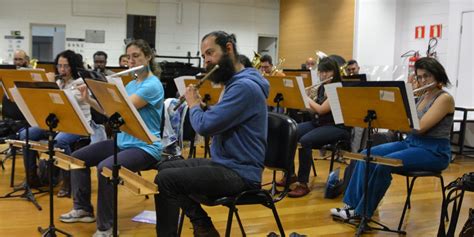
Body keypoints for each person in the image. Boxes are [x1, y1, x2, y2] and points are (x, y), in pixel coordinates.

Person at [154, 31, 269, 237]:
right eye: (203, 55)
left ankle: (202, 226)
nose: (206, 60)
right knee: (164, 166)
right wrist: (204, 108)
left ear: (228, 49)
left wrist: (194, 105)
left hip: (241, 173)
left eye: (210, 53)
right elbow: (220, 121)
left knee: (167, 180)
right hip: (225, 162)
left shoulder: (244, 87)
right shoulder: (233, 83)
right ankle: (198, 225)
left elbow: (205, 128)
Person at [59, 39, 164, 237]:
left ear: (148, 57)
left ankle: (106, 228)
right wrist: (88, 98)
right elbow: (111, 114)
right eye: (129, 57)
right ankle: (82, 209)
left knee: (105, 168)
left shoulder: (152, 85)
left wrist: (99, 86)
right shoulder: (131, 83)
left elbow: (123, 108)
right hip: (124, 142)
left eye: (136, 57)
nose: (131, 61)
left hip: (146, 146)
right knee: (78, 158)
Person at [331, 57, 454, 220]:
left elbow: (420, 127)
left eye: (427, 76)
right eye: (420, 76)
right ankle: (351, 205)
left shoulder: (444, 98)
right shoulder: (422, 96)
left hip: (433, 151)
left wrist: (394, 120)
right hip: (411, 143)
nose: (423, 80)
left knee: (383, 163)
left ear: (438, 76)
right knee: (364, 154)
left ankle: (362, 212)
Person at [18, 50, 107, 194]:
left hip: (78, 124)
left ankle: (68, 181)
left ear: (73, 66)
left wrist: (50, 84)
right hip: (57, 123)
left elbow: (66, 101)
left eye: (66, 66)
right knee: (26, 135)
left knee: (60, 141)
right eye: (59, 66)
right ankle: (32, 178)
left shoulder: (80, 83)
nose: (62, 70)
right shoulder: (59, 81)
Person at [278, 57, 350, 198]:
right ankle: (290, 174)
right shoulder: (322, 87)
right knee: (289, 132)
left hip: (336, 126)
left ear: (334, 72)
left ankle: (303, 183)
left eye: (327, 71)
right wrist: (301, 101)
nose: (323, 75)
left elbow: (322, 110)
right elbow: (313, 112)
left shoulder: (337, 88)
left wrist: (307, 98)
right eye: (321, 72)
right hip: (319, 123)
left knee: (306, 141)